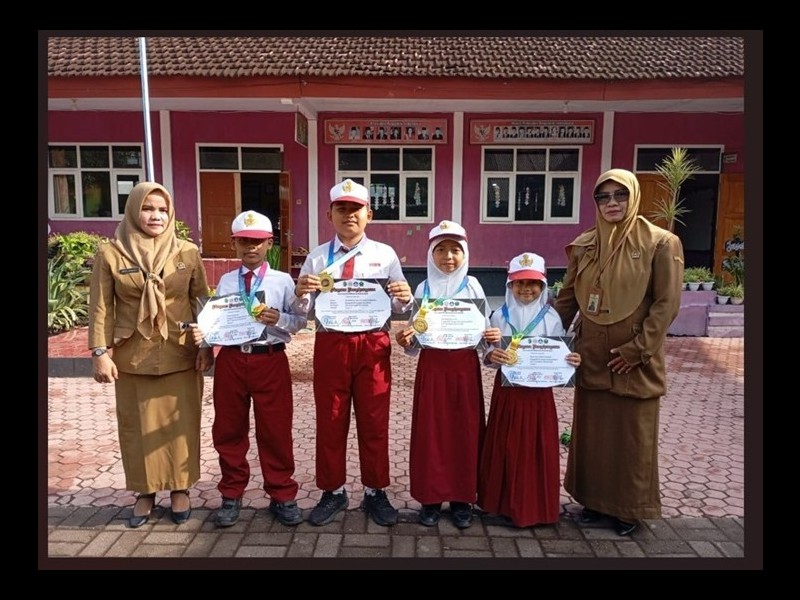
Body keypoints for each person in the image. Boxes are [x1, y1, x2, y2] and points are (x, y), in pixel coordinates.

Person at [553, 168, 684, 536]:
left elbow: (666, 305)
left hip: (633, 362)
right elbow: (567, 299)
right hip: (592, 355)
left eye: (620, 195)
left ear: (634, 197)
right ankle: (594, 503)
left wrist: (637, 350)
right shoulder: (585, 245)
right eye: (603, 196)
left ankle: (628, 509)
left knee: (631, 435)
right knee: (594, 434)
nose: (612, 203)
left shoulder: (661, 243)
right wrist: (535, 339)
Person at [88, 181, 214, 528]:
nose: (155, 216)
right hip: (133, 355)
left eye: (162, 209)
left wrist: (207, 345)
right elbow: (100, 306)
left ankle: (180, 488)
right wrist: (99, 351)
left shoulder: (187, 251)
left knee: (181, 424)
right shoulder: (111, 253)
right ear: (133, 211)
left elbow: (201, 300)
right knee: (137, 426)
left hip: (180, 352)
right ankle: (145, 491)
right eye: (147, 208)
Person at [293, 179, 413, 527]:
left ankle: (375, 490)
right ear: (329, 214)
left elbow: (398, 306)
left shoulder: (385, 255)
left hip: (372, 344)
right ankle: (333, 491)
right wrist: (301, 292)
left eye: (356, 209)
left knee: (374, 420)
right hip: (331, 344)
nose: (349, 215)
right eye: (341, 209)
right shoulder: (317, 257)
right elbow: (303, 311)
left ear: (368, 214)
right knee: (331, 419)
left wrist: (404, 297)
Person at [191, 210, 308, 528]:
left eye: (257, 241)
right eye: (244, 241)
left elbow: (300, 321)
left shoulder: (282, 281)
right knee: (228, 429)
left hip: (270, 358)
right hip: (231, 360)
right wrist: (205, 344)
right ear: (234, 244)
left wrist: (279, 318)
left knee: (276, 430)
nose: (251, 247)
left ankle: (282, 493)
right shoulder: (227, 281)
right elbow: (216, 320)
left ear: (269, 243)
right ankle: (231, 493)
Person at [394, 221, 500, 529]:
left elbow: (483, 336)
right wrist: (406, 340)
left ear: (465, 253)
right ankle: (430, 498)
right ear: (431, 253)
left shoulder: (473, 286)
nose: (448, 257)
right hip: (433, 368)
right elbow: (416, 336)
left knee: (465, 430)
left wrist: (491, 337)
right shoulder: (423, 289)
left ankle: (461, 499)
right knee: (431, 432)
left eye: (455, 250)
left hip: (464, 369)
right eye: (441, 250)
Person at [478, 252, 581, 528]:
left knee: (537, 447)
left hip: (538, 396)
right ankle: (499, 503)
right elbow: (488, 353)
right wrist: (492, 355)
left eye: (533, 283)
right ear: (510, 285)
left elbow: (560, 355)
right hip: (508, 393)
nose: (526, 289)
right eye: (520, 283)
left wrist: (570, 360)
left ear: (543, 285)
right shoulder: (498, 316)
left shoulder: (551, 317)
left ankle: (536, 508)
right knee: (505, 444)